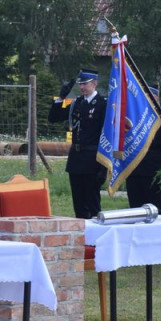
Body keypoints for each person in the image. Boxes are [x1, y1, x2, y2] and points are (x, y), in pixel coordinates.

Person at [47, 68, 107, 219]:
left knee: (92, 201)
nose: (82, 87)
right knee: (78, 201)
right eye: (80, 84)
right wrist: (60, 98)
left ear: (94, 84)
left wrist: (104, 166)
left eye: (85, 84)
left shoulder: (102, 104)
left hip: (93, 158)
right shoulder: (77, 103)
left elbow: (106, 135)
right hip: (76, 157)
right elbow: (53, 118)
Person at [125, 85, 161, 214]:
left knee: (155, 208)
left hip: (154, 169)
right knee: (135, 209)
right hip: (134, 167)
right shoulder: (134, 115)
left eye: (147, 95)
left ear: (156, 97)